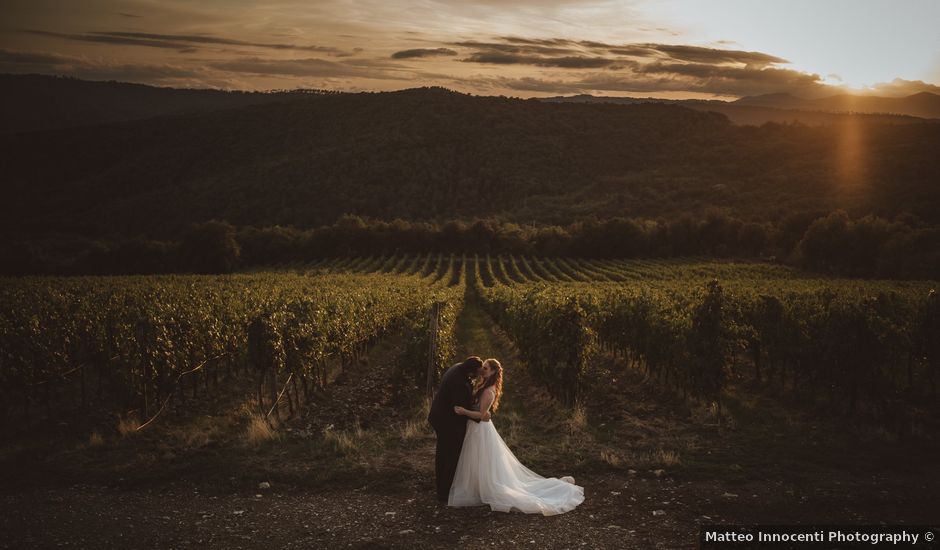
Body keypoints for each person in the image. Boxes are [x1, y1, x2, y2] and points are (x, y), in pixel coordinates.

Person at [449, 358, 584, 515]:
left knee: (481, 459)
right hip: (476, 428)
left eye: (485, 368)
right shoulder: (484, 386)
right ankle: (478, 487)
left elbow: (481, 415)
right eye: (482, 368)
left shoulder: (488, 391)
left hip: (480, 430)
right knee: (476, 459)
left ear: (493, 372)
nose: (482, 370)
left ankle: (485, 488)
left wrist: (464, 412)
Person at [427, 356, 490, 503]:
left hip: (441, 417)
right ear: (472, 370)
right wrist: (480, 416)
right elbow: (460, 409)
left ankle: (442, 489)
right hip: (447, 422)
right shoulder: (459, 382)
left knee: (443, 453)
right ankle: (444, 494)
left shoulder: (458, 367)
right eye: (477, 373)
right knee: (450, 455)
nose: (477, 376)